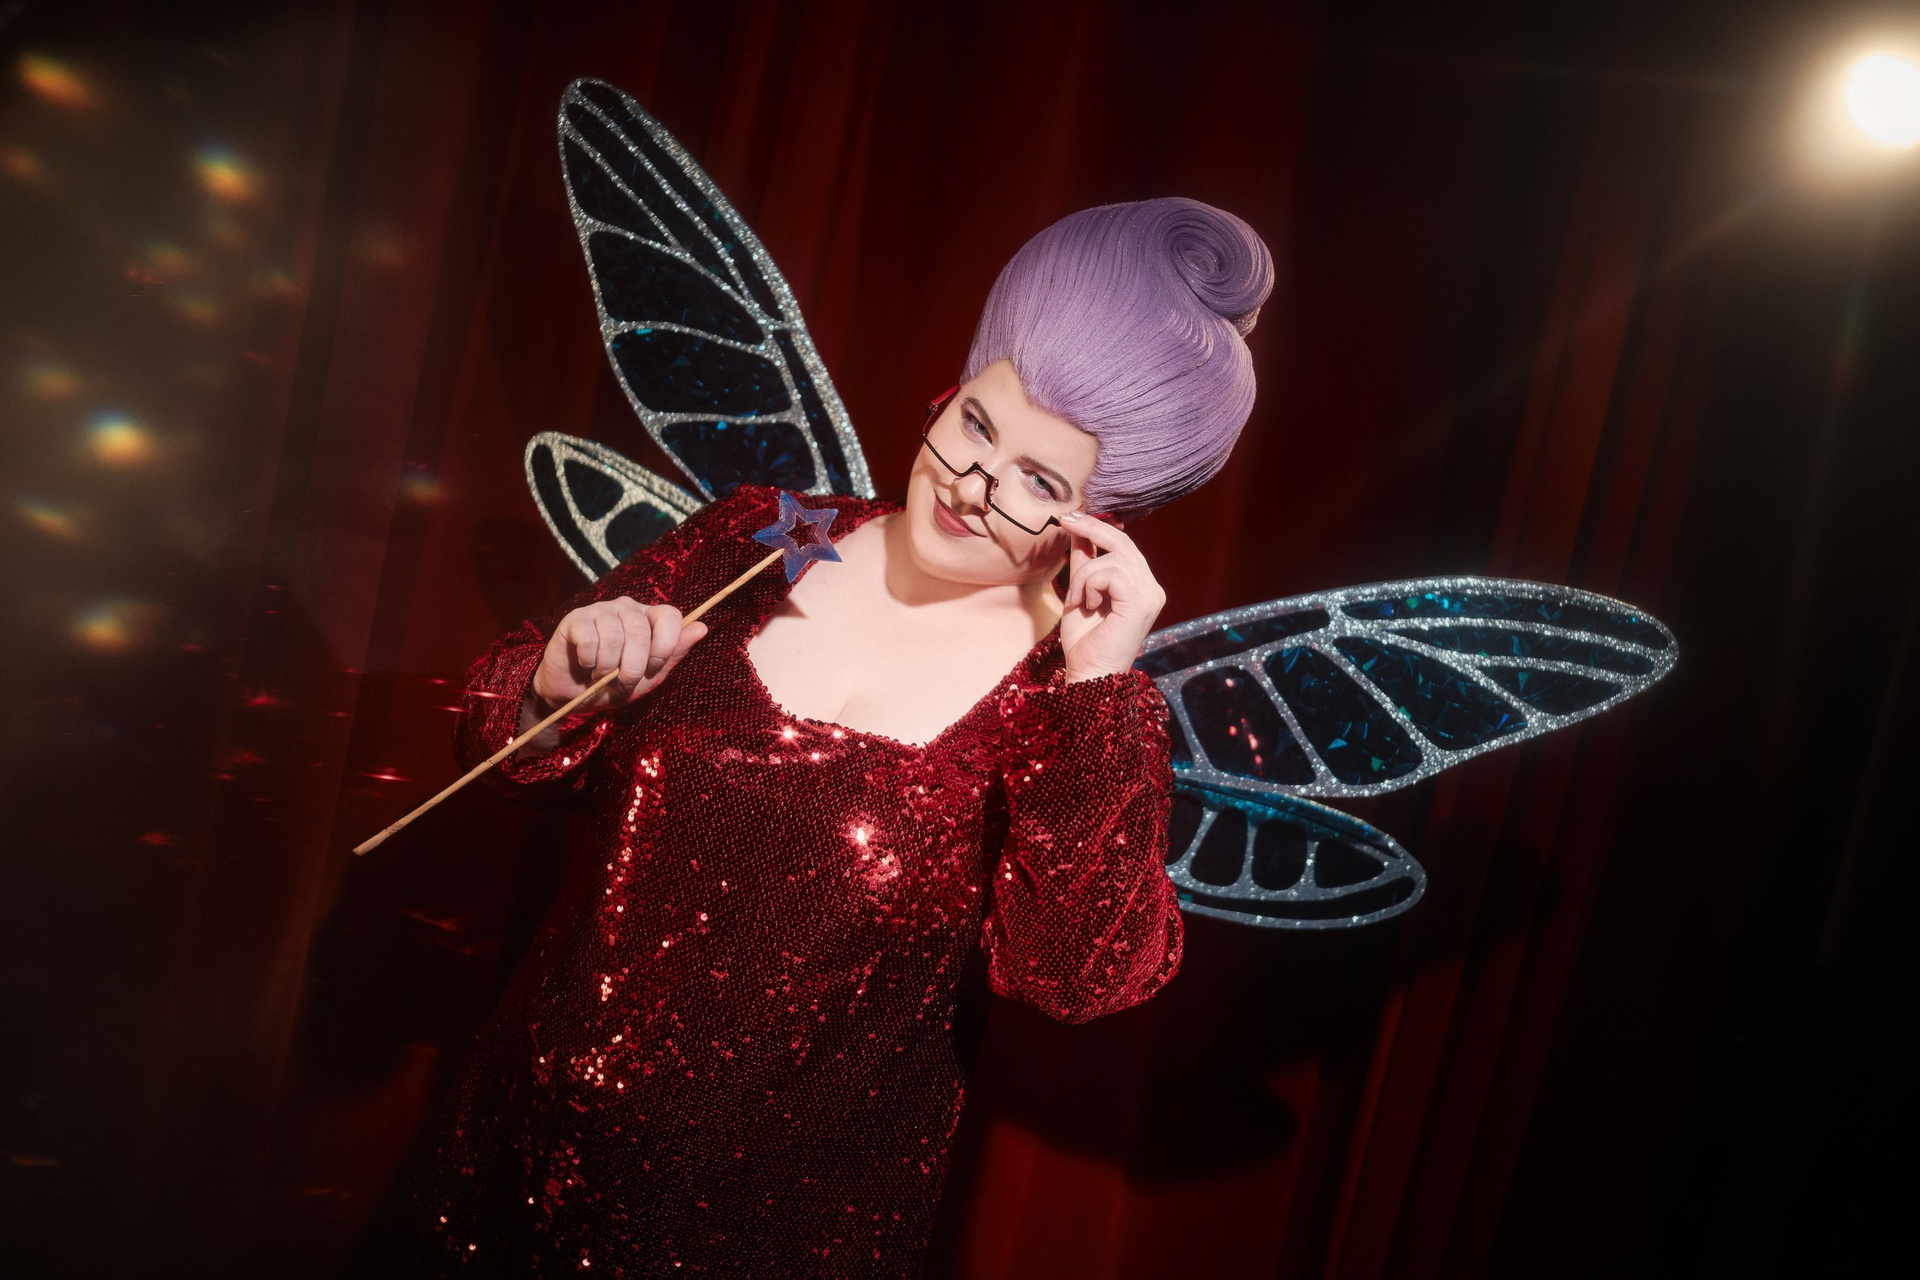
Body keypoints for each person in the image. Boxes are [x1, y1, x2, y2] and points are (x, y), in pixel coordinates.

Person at [362, 197, 1273, 1277]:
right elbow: (501, 734)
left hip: (769, 1244)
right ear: (954, 386)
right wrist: (559, 681)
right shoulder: (760, 539)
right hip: (503, 1168)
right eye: (978, 425)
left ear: (1101, 521)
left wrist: (1101, 685)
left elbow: (1076, 977)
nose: (971, 486)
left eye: (1040, 481)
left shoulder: (1069, 709)